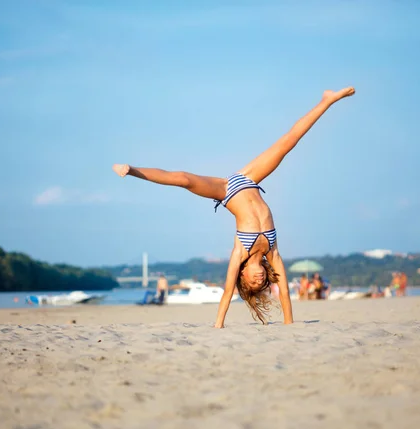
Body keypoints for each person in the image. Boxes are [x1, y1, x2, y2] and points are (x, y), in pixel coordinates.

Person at [113, 87, 356, 326]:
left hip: (227, 190)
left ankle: (131, 170)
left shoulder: (239, 253)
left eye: (252, 283)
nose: (259, 280)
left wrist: (218, 325)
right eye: (261, 283)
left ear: (242, 275)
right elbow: (284, 292)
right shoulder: (273, 253)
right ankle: (328, 100)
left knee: (184, 180)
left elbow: (227, 293)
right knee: (289, 142)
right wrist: (289, 323)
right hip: (249, 180)